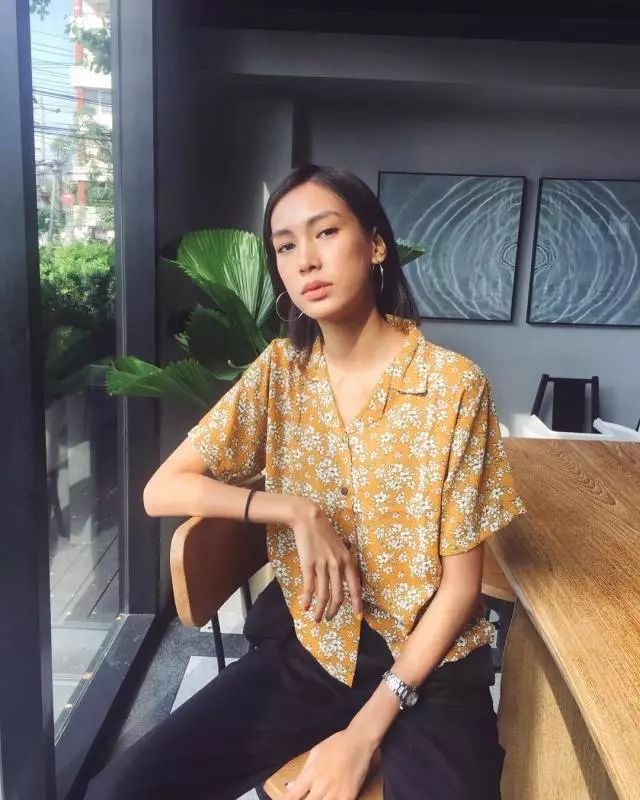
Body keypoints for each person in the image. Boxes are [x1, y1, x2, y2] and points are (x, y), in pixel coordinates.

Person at [82, 163, 527, 800]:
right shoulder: (280, 372)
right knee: (120, 790)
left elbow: (460, 590)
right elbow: (162, 490)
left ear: (376, 245)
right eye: (286, 246)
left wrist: (362, 735)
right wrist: (293, 509)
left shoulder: (454, 387)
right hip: (315, 647)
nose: (306, 260)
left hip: (429, 666)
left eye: (326, 233)